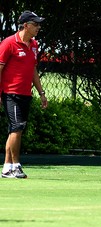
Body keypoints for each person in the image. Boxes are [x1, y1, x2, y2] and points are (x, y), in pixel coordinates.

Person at [0, 10, 48, 178]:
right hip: (10, 93)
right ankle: (16, 165)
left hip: (25, 93)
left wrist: (41, 93)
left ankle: (6, 167)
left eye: (39, 24)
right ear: (25, 26)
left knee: (16, 130)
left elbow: (33, 69)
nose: (38, 27)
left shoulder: (34, 45)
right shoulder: (8, 43)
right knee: (17, 128)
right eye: (35, 24)